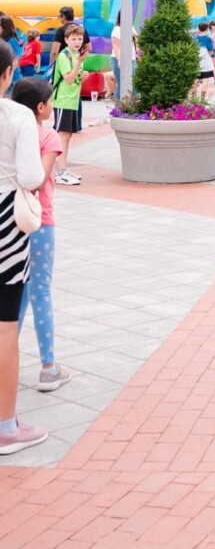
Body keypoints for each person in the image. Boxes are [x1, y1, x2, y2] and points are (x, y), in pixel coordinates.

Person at [0, 39, 47, 454]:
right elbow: (31, 176)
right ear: (7, 74)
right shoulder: (16, 116)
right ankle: (6, 427)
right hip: (4, 226)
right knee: (5, 326)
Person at [13, 77, 71, 394]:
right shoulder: (47, 136)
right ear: (40, 107)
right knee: (41, 291)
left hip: (7, 222)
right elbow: (38, 180)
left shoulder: (8, 132)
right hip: (38, 220)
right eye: (49, 101)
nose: (51, 106)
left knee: (15, 291)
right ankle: (49, 368)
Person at [51, 23, 86, 186]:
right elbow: (69, 78)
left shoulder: (77, 55)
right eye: (73, 39)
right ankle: (59, 172)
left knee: (68, 135)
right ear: (66, 40)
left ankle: (63, 169)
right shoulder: (65, 56)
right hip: (63, 100)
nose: (77, 42)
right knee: (62, 135)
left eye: (79, 38)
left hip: (72, 100)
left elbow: (76, 78)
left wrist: (83, 75)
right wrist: (79, 64)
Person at [0, 15, 23, 93]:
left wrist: (9, 71)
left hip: (11, 77)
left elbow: (16, 59)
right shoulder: (3, 40)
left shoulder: (12, 41)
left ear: (4, 27)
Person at [194, 21, 215, 98]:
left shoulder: (195, 38)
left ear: (199, 29)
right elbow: (210, 51)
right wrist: (213, 57)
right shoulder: (208, 39)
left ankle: (193, 97)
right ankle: (202, 99)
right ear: (207, 29)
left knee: (196, 79)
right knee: (205, 80)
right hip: (206, 62)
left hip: (196, 61)